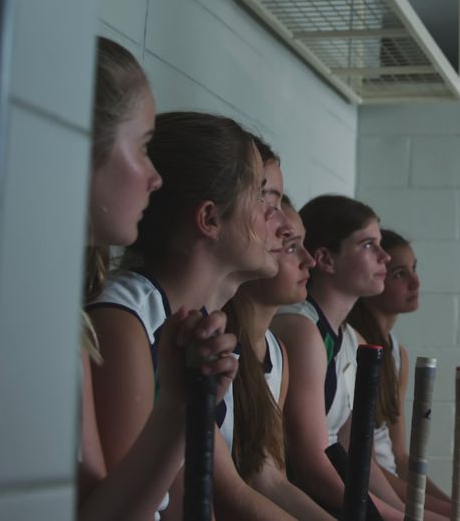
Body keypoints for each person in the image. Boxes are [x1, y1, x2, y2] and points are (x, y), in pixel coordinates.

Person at [87, 111, 297, 519]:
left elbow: (193, 500)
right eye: (262, 197)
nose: (282, 221)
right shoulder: (126, 321)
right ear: (209, 219)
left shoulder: (198, 326)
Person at [78, 37, 239, 520]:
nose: (155, 177)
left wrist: (178, 405)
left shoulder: (63, 319)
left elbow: (97, 512)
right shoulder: (110, 315)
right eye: (143, 149)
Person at [271, 196, 449, 521]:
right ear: (325, 259)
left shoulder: (354, 340)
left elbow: (358, 453)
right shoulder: (301, 328)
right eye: (369, 245)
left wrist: (406, 513)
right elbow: (310, 466)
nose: (384, 256)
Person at [346, 230, 460, 521]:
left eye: (415, 269)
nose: (415, 282)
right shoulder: (356, 350)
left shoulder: (398, 354)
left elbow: (401, 458)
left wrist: (459, 508)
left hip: (392, 487)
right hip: (368, 493)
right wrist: (444, 513)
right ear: (377, 275)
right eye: (399, 274)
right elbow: (366, 466)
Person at [227, 178, 337, 520]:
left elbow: (271, 479)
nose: (309, 261)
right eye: (290, 246)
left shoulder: (277, 351)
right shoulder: (217, 341)